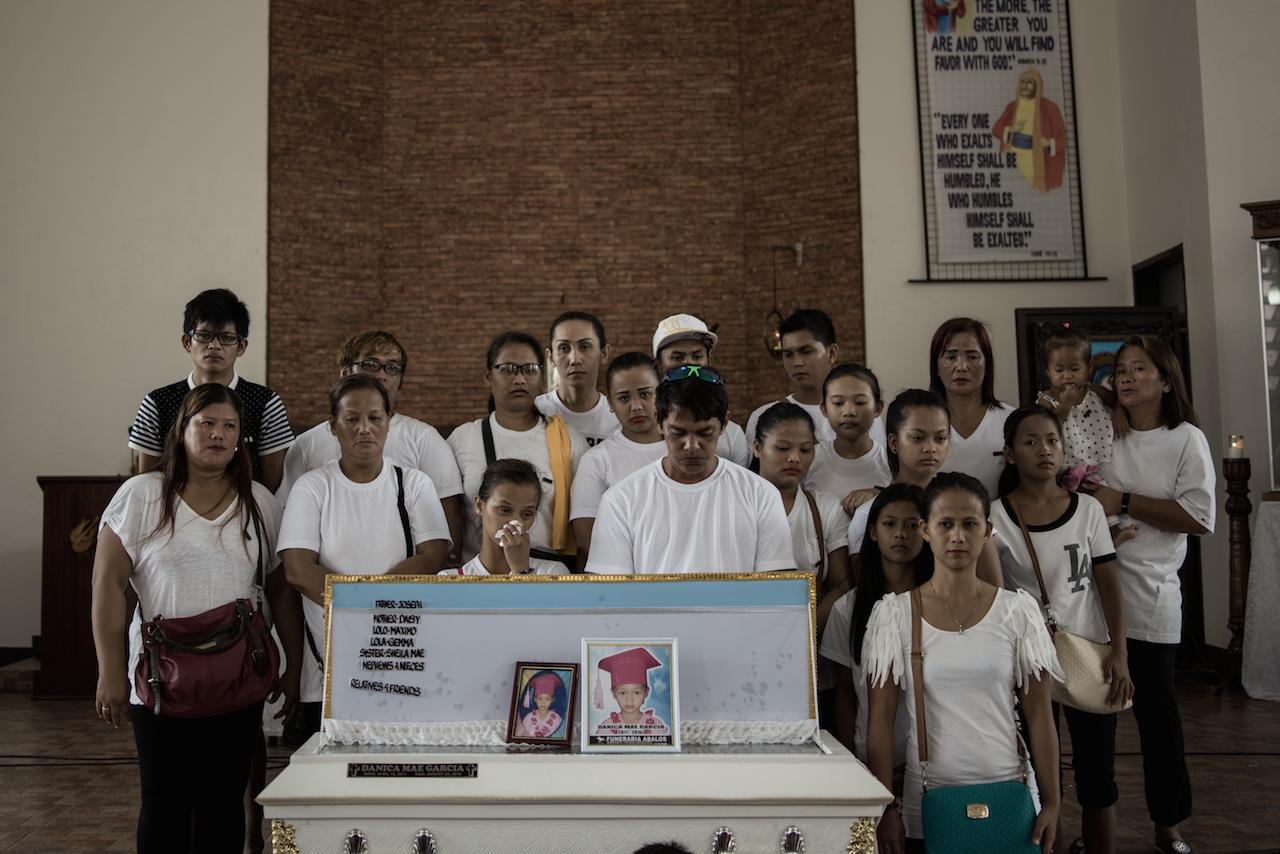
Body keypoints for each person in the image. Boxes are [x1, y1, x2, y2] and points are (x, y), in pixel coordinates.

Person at [91, 383, 301, 854]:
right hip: (159, 682)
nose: (219, 435)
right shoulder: (140, 496)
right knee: (162, 804)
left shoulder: (261, 504)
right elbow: (106, 584)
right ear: (181, 431)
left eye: (230, 427)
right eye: (206, 423)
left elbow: (282, 591)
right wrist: (108, 671)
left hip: (236, 678)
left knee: (221, 803)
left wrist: (293, 668)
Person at [864, 473, 1062, 854]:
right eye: (945, 524)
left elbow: (1040, 714)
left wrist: (1052, 801)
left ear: (987, 530)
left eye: (969, 524)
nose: (957, 536)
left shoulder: (1018, 612)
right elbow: (880, 720)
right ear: (925, 530)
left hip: (1012, 788)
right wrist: (885, 804)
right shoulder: (895, 615)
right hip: (930, 795)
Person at [1081, 336, 1214, 854]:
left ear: (1165, 379)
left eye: (1141, 369)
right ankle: (1099, 829)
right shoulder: (1103, 433)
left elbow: (1199, 518)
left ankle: (1169, 825)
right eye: (1121, 370)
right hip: (1092, 594)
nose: (1128, 377)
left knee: (1157, 718)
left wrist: (1126, 500)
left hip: (1152, 593)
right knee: (1096, 721)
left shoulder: (1185, 439)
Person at [992, 405, 1133, 854]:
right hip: (1029, 660)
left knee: (1097, 772)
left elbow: (1109, 585)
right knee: (1035, 769)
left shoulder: (1087, 510)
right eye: (1030, 441)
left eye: (1051, 440)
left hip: (1088, 650)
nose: (1044, 450)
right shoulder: (995, 516)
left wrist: (1119, 651)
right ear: (1010, 454)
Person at [277, 374, 452, 730]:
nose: (364, 429)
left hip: (402, 660)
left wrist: (371, 605)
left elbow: (432, 557)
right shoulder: (312, 486)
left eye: (375, 418)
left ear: (389, 423)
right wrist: (366, 605)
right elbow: (297, 569)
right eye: (351, 419)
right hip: (326, 667)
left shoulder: (414, 484)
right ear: (332, 426)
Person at [585, 365, 794, 575]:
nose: (691, 445)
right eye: (678, 432)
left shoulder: (761, 496)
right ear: (659, 422)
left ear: (724, 424)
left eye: (705, 432)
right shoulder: (621, 500)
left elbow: (777, 594)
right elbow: (609, 597)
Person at [278, 330, 465, 559]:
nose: (382, 375)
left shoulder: (425, 438)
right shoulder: (307, 444)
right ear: (345, 371)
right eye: (371, 364)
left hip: (407, 584)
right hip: (325, 580)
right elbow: (289, 522)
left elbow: (450, 516)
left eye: (392, 367)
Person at [127, 288, 294, 491]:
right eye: (204, 336)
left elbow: (272, 489)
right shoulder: (157, 402)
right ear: (187, 342)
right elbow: (146, 485)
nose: (214, 346)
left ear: (241, 347)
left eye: (226, 337)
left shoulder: (266, 402)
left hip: (246, 514)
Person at [448, 331, 589, 565]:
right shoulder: (463, 439)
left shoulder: (569, 442)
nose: (519, 379)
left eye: (529, 369)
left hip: (546, 573)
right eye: (508, 369)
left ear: (542, 377)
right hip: (481, 575)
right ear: (487, 376)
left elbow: (583, 522)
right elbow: (451, 517)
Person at [820, 484, 931, 766]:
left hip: (934, 757)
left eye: (911, 525)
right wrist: (848, 764)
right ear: (873, 532)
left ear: (927, 531)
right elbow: (845, 695)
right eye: (889, 524)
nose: (900, 534)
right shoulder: (848, 608)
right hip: (871, 753)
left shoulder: (938, 603)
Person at [752, 402, 851, 632]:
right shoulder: (733, 506)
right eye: (782, 448)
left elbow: (842, 585)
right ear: (757, 447)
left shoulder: (826, 508)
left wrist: (806, 628)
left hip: (809, 639)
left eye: (805, 450)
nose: (795, 458)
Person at [570, 352, 667, 560]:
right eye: (624, 398)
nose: (636, 406)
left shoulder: (684, 449)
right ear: (610, 404)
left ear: (661, 393)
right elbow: (587, 539)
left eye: (645, 394)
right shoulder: (597, 460)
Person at [846, 389, 950, 550]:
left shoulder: (959, 507)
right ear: (894, 443)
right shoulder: (869, 513)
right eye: (918, 438)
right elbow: (865, 574)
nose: (931, 448)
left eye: (940, 438)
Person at [928, 317, 1015, 499]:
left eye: (972, 357)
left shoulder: (1011, 420)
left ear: (987, 365)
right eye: (951, 357)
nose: (961, 367)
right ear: (936, 366)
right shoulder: (922, 421)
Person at [651, 313, 753, 467]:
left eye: (697, 356)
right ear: (658, 365)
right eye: (678, 358)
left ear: (709, 361)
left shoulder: (732, 435)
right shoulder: (638, 431)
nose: (689, 365)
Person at [438, 460, 569, 576]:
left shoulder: (553, 573)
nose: (516, 521)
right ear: (479, 506)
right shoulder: (450, 580)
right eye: (505, 510)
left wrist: (521, 571)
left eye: (527, 514)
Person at [744, 309, 842, 445]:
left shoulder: (859, 414)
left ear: (831, 353)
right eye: (788, 354)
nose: (797, 362)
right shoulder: (764, 417)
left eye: (806, 352)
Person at [807, 363, 892, 515]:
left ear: (878, 408)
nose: (849, 412)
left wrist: (880, 496)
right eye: (838, 403)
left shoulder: (891, 463)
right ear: (824, 409)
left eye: (860, 402)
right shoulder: (809, 459)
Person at [1036, 325, 1116, 476]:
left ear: (1089, 367)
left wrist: (1121, 415)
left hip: (1104, 466)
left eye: (1074, 369)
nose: (1067, 376)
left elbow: (1120, 404)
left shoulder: (1096, 392)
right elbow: (1044, 429)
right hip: (1065, 472)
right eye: (1059, 370)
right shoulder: (1047, 400)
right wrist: (1066, 405)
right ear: (1048, 370)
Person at [535, 311, 617, 446]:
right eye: (563, 348)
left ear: (604, 353)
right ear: (550, 357)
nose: (574, 359)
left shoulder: (618, 418)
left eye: (585, 347)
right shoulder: (536, 412)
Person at [993, 66, 1068, 193]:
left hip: (1036, 160)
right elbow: (996, 129)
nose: (1025, 86)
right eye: (1023, 82)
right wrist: (1011, 130)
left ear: (1037, 85)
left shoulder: (1050, 108)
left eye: (1029, 83)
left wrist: (1049, 143)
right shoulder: (1013, 107)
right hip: (1014, 159)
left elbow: (1063, 139)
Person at [592, 647, 669, 736]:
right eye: (623, 693)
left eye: (636, 693)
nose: (629, 699)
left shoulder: (656, 725)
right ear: (614, 694)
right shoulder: (607, 727)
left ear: (646, 693)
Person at [516, 671, 567, 739]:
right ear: (535, 699)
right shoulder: (528, 718)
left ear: (552, 700)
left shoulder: (557, 719)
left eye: (547, 699)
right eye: (540, 699)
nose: (543, 703)